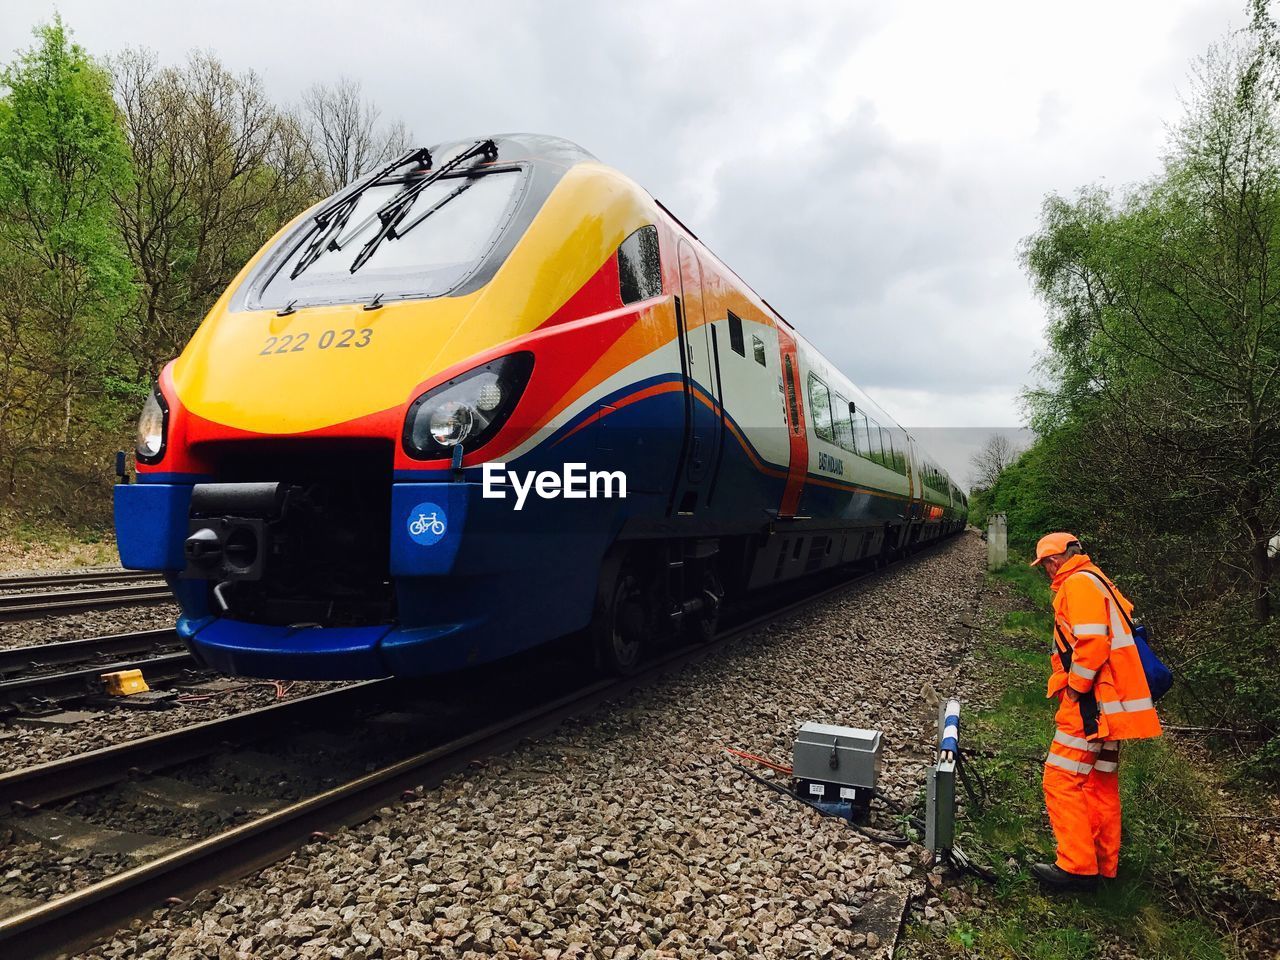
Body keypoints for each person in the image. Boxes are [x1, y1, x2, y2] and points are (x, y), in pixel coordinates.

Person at [1028, 532, 1163, 891]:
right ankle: (1103, 865)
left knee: (1060, 778)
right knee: (1099, 782)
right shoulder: (1099, 580)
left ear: (1053, 562)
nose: (1046, 573)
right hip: (1112, 705)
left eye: (1045, 566)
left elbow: (1092, 644)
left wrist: (1074, 688)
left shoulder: (1077, 585)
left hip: (1091, 706)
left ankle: (1076, 867)